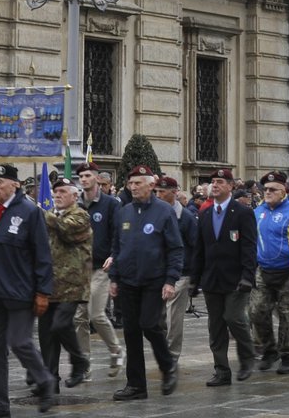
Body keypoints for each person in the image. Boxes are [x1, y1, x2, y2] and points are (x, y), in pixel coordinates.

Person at [0, 163, 56, 418]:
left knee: (19, 341)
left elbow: (43, 255)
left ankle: (44, 381)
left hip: (20, 292)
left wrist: (43, 291)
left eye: (0, 183)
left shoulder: (29, 212)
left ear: (15, 185)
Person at [105, 166, 182, 399]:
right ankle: (136, 385)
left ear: (151, 185)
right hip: (128, 280)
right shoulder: (124, 212)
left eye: (138, 183)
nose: (133, 187)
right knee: (131, 332)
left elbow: (175, 248)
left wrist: (170, 280)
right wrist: (114, 277)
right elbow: (117, 247)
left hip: (153, 280)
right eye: (131, 183)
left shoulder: (164, 212)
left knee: (149, 324)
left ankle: (167, 365)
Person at [192, 167, 258, 385]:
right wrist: (195, 279)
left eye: (221, 181)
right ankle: (221, 369)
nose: (216, 185)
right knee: (216, 325)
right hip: (212, 278)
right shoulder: (205, 213)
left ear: (231, 186)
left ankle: (247, 356)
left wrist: (248, 276)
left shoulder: (243, 212)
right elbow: (199, 249)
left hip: (236, 278)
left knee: (234, 317)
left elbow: (249, 247)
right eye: (213, 181)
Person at [248, 171, 289, 374]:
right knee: (257, 311)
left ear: (284, 190)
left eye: (272, 189)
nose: (267, 192)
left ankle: (287, 355)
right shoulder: (258, 211)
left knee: (288, 315)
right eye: (265, 189)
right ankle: (269, 350)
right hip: (263, 270)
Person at [72, 162, 124, 379]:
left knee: (95, 313)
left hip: (102, 267)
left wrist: (114, 255)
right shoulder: (77, 205)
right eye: (81, 176)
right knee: (79, 317)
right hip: (81, 267)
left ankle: (116, 351)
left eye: (87, 175)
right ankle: (84, 364)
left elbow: (118, 233)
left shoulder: (110, 204)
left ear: (96, 178)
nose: (83, 179)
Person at [40, 176, 92, 391]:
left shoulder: (81, 216)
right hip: (49, 283)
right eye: (56, 192)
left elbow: (66, 230)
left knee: (61, 324)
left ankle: (79, 360)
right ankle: (49, 380)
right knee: (46, 335)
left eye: (63, 192)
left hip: (72, 284)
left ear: (74, 195)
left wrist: (40, 214)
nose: (57, 196)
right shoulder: (51, 216)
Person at [155, 175, 198, 364]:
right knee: (158, 318)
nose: (158, 195)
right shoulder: (155, 213)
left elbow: (195, 245)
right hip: (158, 272)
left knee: (174, 318)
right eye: (157, 191)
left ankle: (171, 356)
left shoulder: (186, 217)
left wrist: (195, 276)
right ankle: (162, 350)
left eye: (162, 192)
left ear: (174, 193)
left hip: (181, 273)